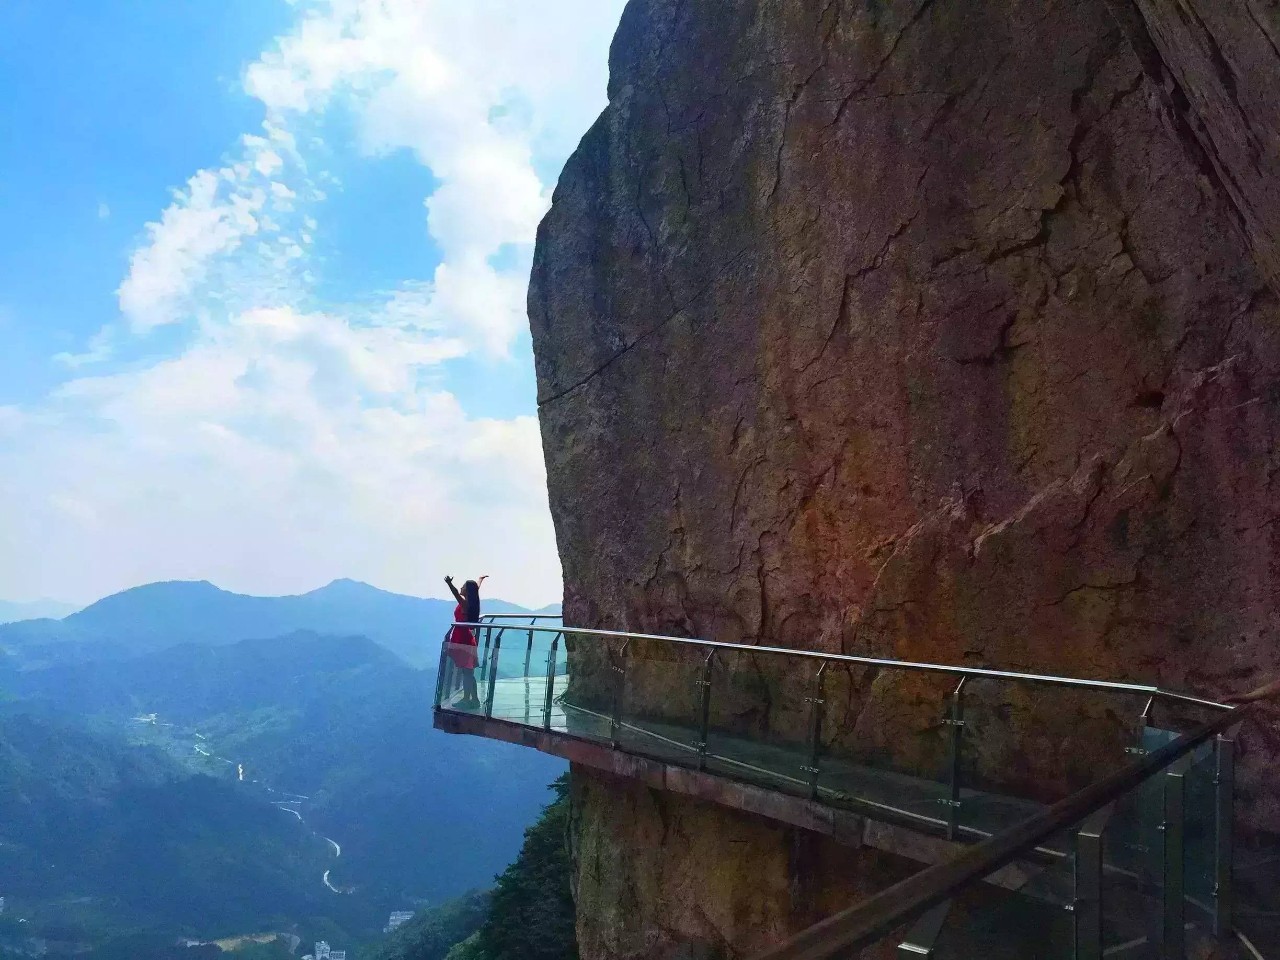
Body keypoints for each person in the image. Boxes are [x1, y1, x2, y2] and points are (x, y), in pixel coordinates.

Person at [445, 575, 486, 709]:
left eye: (463, 586)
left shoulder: (464, 603)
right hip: (467, 639)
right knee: (468, 672)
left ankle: (467, 699)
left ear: (467, 591)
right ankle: (474, 700)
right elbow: (476, 588)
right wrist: (480, 579)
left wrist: (449, 583)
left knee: (466, 672)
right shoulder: (471, 601)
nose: (461, 587)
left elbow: (456, 593)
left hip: (462, 640)